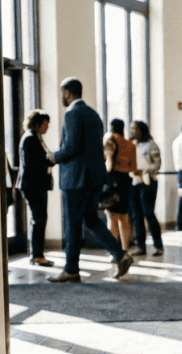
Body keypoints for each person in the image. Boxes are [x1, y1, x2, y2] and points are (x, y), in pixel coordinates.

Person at [49, 77, 133, 282]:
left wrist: (53, 157)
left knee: (72, 223)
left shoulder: (72, 114)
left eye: (62, 94)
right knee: (91, 219)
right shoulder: (94, 115)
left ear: (67, 93)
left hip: (75, 179)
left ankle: (71, 270)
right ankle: (120, 255)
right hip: (94, 178)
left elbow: (72, 147)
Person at [18, 109, 55, 267]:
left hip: (35, 184)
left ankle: (37, 254)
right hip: (33, 185)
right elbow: (32, 163)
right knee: (39, 219)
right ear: (38, 124)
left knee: (39, 219)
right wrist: (50, 161)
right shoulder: (30, 139)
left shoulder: (34, 137)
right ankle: (36, 255)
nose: (47, 127)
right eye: (45, 124)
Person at [128, 120, 164, 257]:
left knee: (148, 213)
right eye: (131, 128)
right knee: (136, 215)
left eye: (134, 128)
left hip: (148, 183)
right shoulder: (132, 145)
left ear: (141, 130)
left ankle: (158, 246)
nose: (132, 131)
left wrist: (144, 171)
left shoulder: (151, 145)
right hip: (134, 182)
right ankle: (140, 246)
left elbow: (157, 164)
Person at [103, 119, 136, 251]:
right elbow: (133, 167)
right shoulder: (130, 144)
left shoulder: (110, 141)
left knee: (112, 217)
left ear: (111, 128)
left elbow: (109, 164)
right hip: (126, 181)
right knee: (124, 217)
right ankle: (124, 249)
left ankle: (114, 251)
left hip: (114, 181)